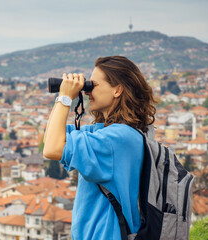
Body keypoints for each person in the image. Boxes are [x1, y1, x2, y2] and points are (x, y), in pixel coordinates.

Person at [43, 56, 158, 239]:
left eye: (93, 85)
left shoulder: (116, 139)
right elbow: (51, 136)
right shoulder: (115, 133)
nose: (88, 92)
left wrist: (65, 98)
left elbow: (51, 149)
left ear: (117, 90)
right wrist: (62, 96)